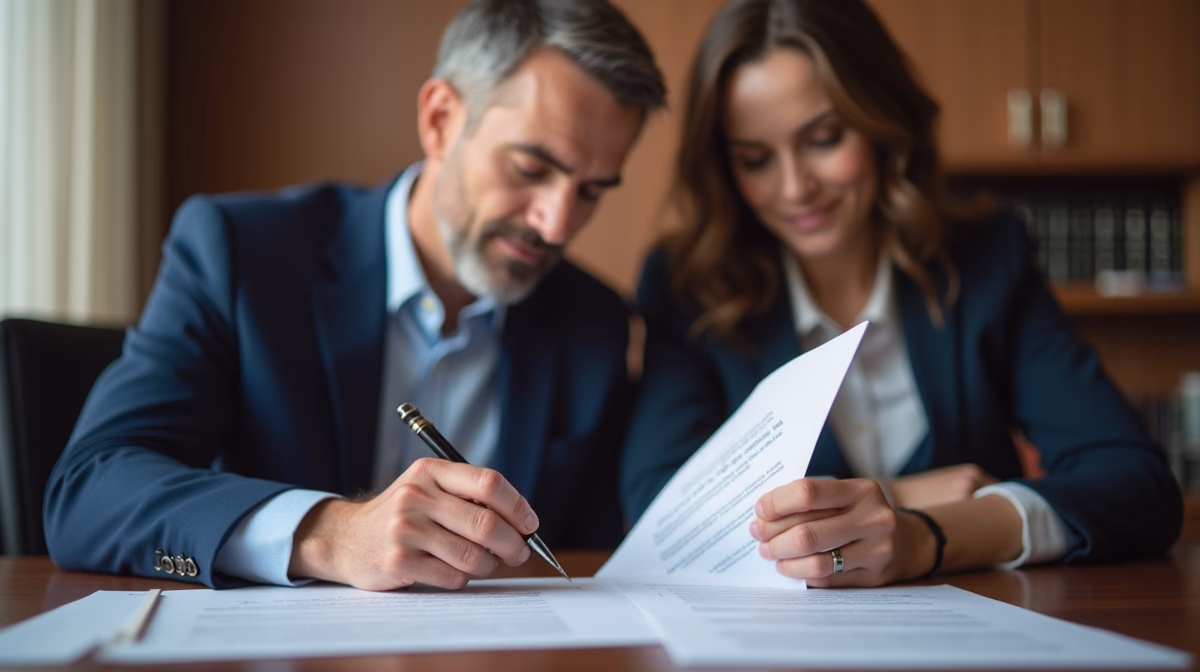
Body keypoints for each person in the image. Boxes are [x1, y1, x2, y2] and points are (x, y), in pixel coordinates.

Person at [45, 0, 665, 591]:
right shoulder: (240, 254)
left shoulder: (596, 323)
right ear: (441, 120)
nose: (556, 223)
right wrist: (329, 533)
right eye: (530, 169)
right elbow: (89, 491)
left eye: (591, 191)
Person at [621, 0, 1181, 587]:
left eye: (825, 139)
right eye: (755, 159)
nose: (794, 188)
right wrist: (899, 496)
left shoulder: (988, 256)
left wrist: (929, 535)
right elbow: (658, 518)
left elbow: (1137, 485)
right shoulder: (686, 286)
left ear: (884, 122)